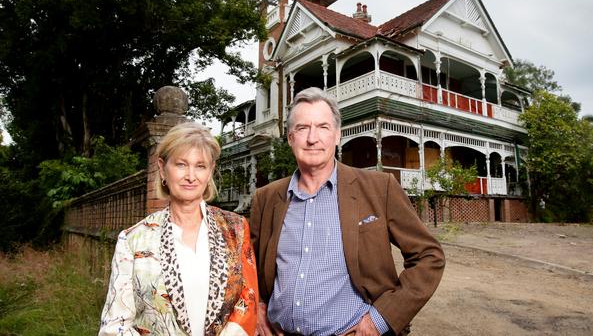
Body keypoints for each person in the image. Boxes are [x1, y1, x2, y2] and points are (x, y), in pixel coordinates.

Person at [251, 88, 445, 336]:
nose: (313, 138)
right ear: (290, 138)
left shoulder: (379, 188)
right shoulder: (266, 199)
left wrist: (380, 319)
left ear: (337, 136)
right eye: (302, 128)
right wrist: (256, 305)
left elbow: (429, 256)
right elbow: (250, 268)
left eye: (323, 127)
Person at [99, 122, 257, 336]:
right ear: (163, 168)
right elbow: (114, 326)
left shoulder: (235, 229)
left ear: (210, 171)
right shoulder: (133, 240)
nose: (191, 176)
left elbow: (248, 301)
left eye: (200, 166)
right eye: (181, 164)